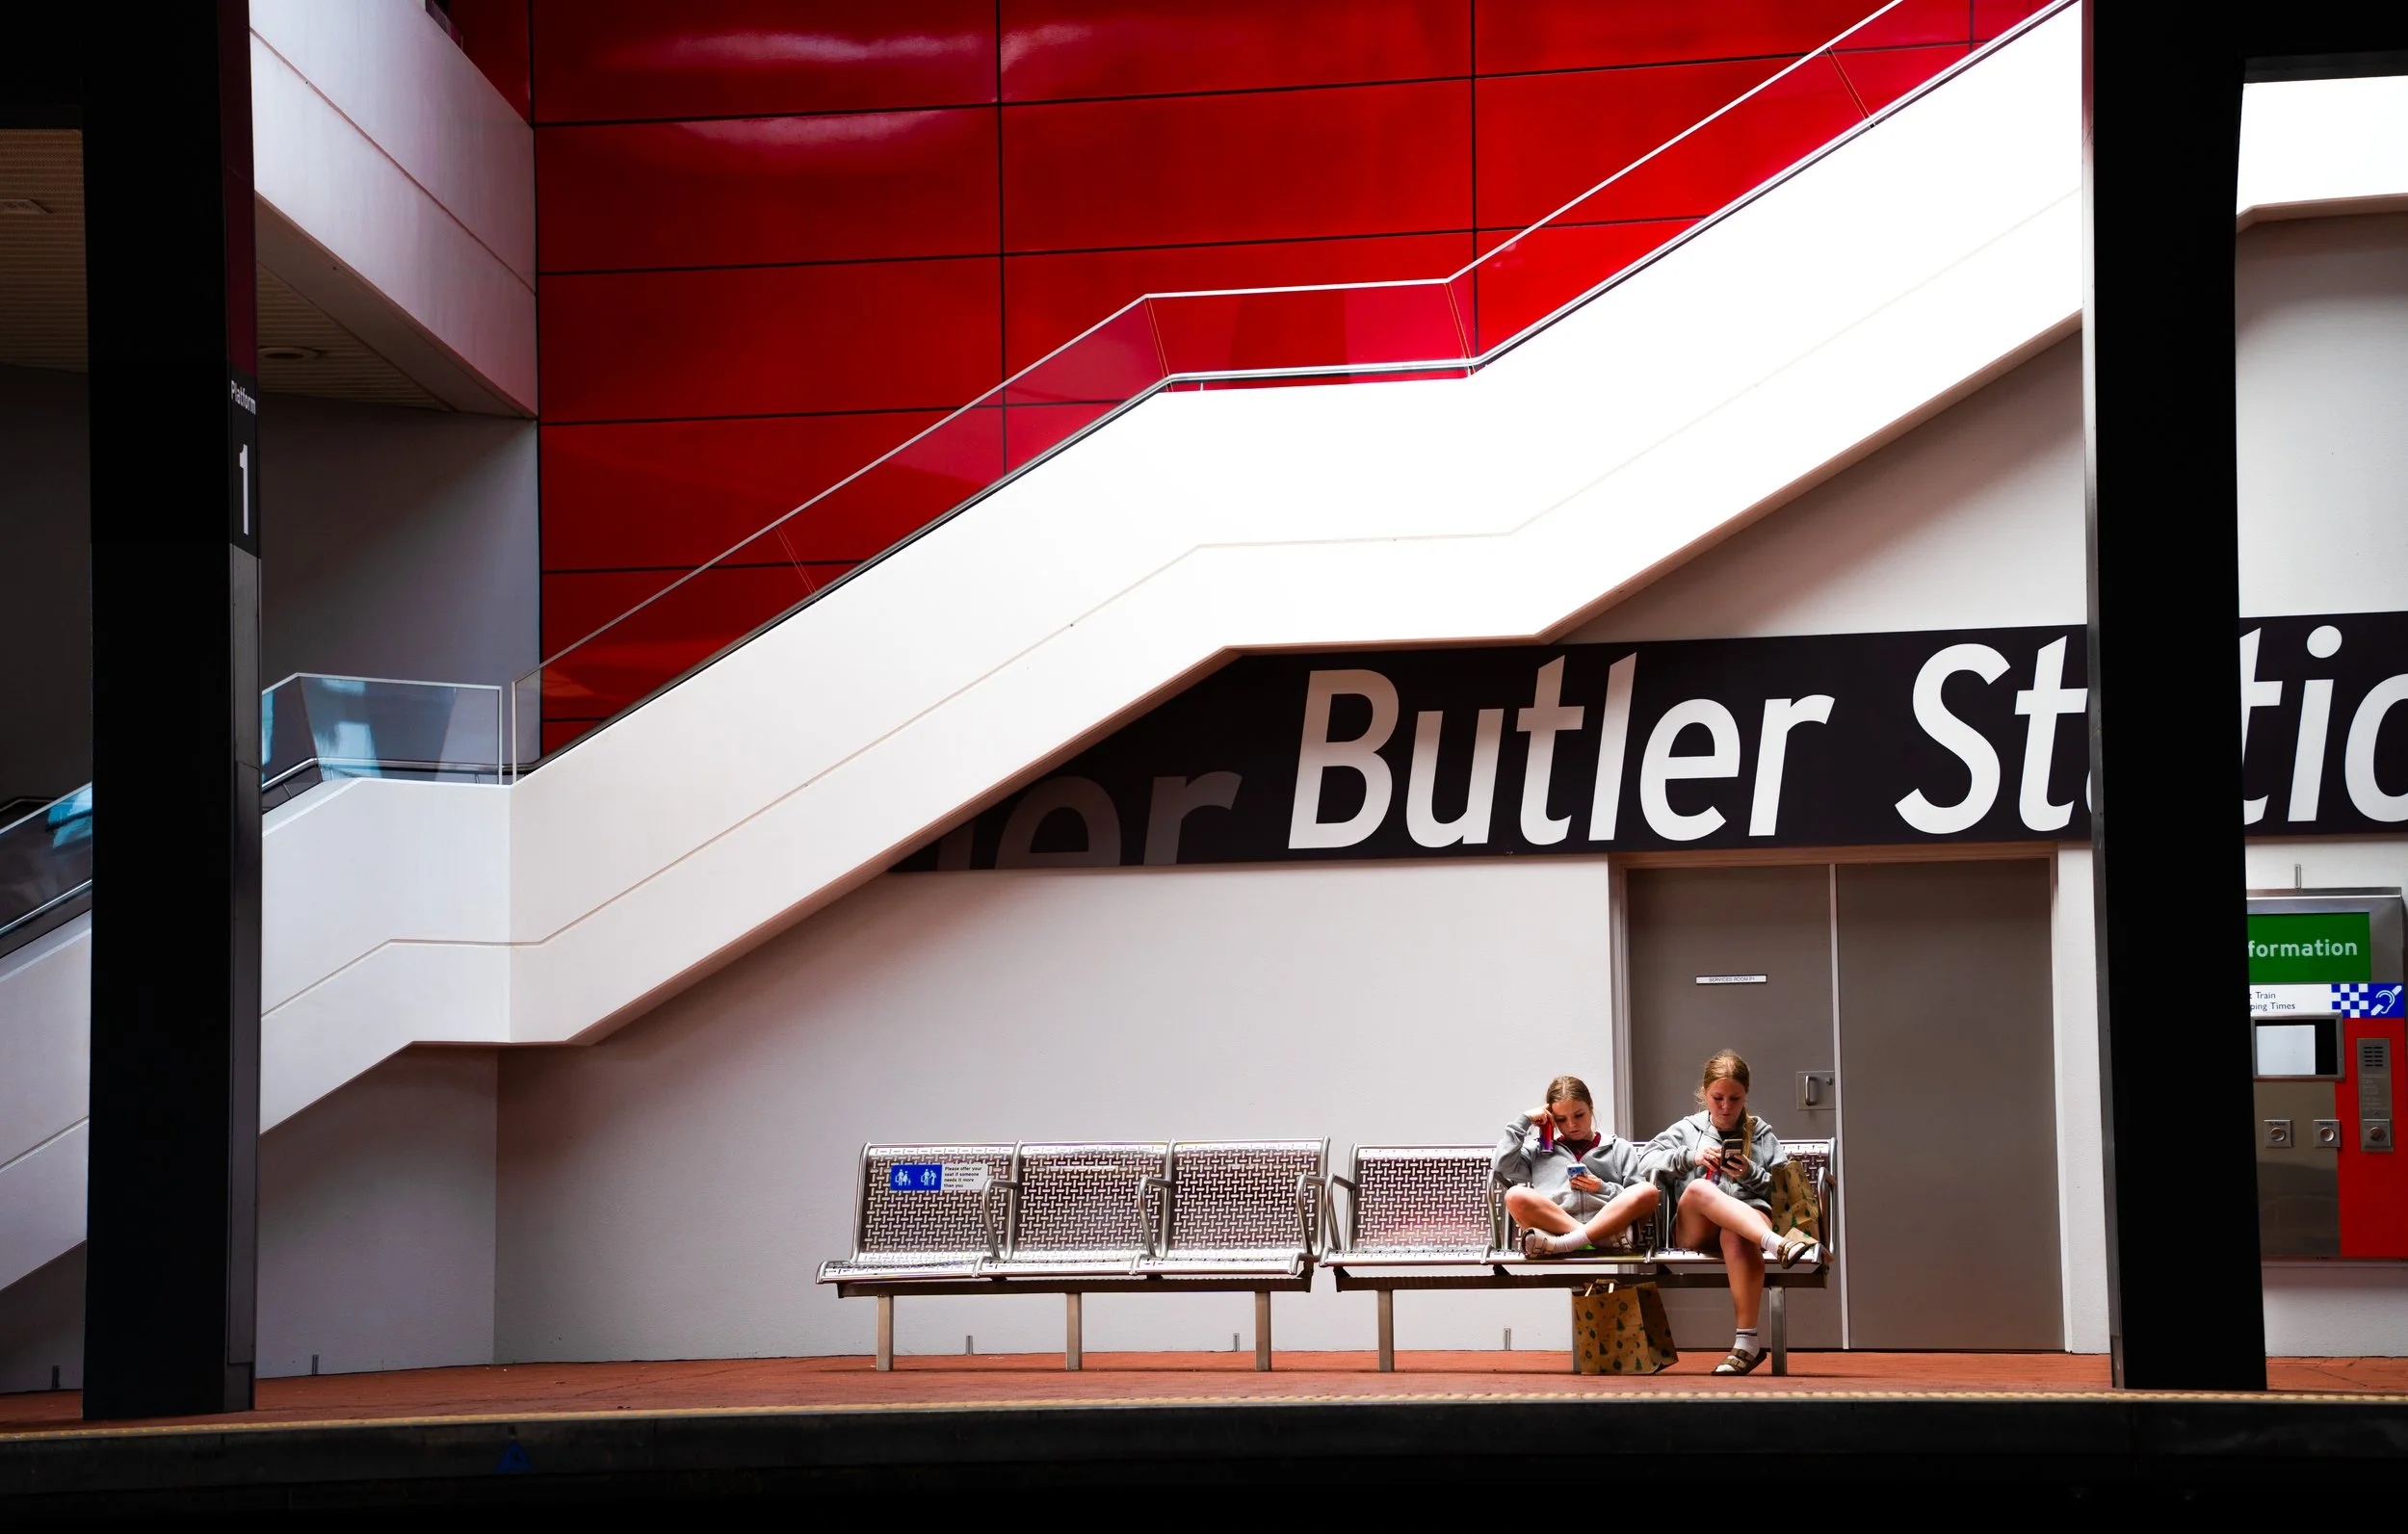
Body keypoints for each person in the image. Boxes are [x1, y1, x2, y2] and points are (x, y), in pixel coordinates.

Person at [1642, 1048, 1819, 1375]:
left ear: (1745, 1096)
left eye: (1734, 1099)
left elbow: (1781, 1193)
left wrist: (1749, 1172)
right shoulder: (1687, 1129)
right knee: (1698, 1188)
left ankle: (1746, 1344)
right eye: (1717, 1098)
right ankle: (1777, 1245)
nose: (1725, 1107)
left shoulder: (1760, 1132)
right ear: (1704, 1094)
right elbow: (1644, 1162)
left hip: (1746, 1223)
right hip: (1696, 1227)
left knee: (1736, 1233)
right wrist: (1689, 1158)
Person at [1493, 1075, 1660, 1258]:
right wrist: (1523, 1121)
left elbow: (1635, 1197)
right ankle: (1592, 1240)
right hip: (1566, 1230)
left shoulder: (1619, 1148)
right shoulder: (1539, 1150)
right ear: (1552, 1119)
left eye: (1579, 1115)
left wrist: (1602, 1188)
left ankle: (1569, 1243)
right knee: (1515, 1195)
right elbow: (1502, 1166)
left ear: (1591, 1107)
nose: (1572, 1124)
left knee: (1647, 1190)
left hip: (1605, 1226)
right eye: (1561, 1119)